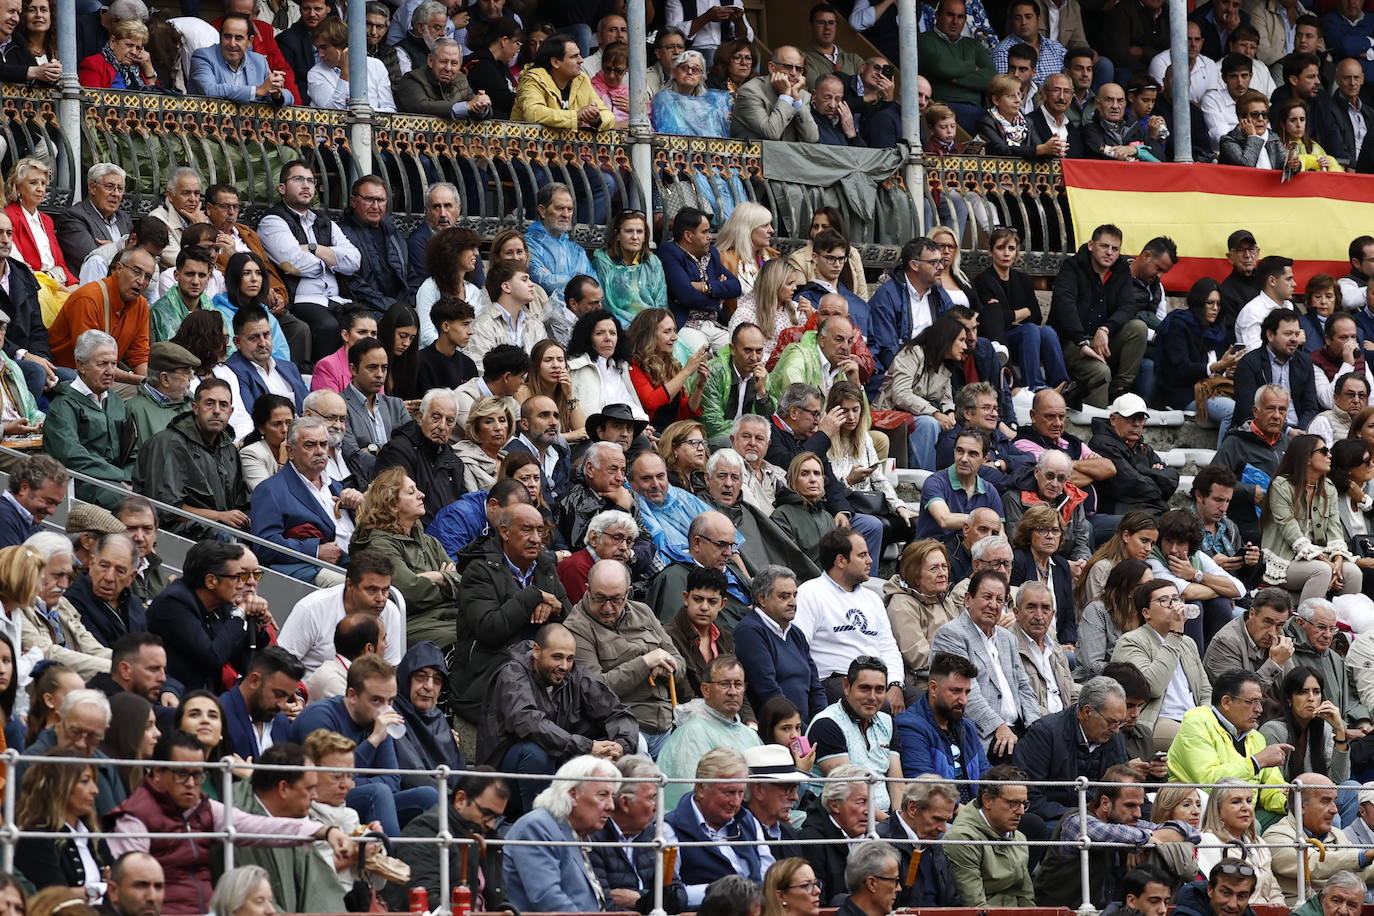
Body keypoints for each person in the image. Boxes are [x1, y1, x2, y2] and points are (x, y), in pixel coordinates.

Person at [564, 560, 687, 756]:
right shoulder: (576, 627)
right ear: (587, 590)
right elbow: (594, 690)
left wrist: (667, 666)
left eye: (616, 599)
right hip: (622, 730)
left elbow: (679, 664)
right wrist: (645, 663)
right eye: (600, 598)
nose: (607, 607)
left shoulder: (644, 612)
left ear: (628, 592)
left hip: (667, 724)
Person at [256, 160, 362, 361]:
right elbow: (294, 264)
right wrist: (332, 261)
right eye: (298, 179)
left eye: (310, 181)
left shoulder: (324, 221)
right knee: (329, 327)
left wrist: (315, 249)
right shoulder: (273, 221)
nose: (306, 185)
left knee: (366, 325)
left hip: (337, 299)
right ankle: (323, 385)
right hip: (302, 299)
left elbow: (354, 261)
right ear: (282, 188)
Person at [930, 570, 1040, 758]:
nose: (993, 605)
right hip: (984, 732)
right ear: (968, 599)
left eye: (999, 600)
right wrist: (998, 726)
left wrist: (1035, 729)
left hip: (1018, 729)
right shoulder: (952, 634)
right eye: (987, 597)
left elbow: (1024, 687)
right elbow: (966, 693)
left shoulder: (1008, 638)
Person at [794, 527, 906, 705]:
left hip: (878, 680)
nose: (870, 560)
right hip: (834, 681)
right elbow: (799, 650)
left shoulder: (873, 599)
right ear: (841, 560)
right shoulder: (809, 594)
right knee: (880, 704)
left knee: (926, 702)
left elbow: (888, 647)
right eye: (862, 555)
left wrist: (895, 684)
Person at [350, 469, 458, 649]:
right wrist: (444, 580)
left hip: (447, 616)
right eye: (411, 492)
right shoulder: (379, 544)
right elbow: (409, 591)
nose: (421, 495)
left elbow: (462, 582)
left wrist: (438, 578)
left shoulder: (429, 541)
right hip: (411, 624)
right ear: (392, 504)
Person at [501, 754, 620, 911]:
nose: (611, 806)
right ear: (573, 795)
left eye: (612, 796)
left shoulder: (576, 831)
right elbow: (548, 899)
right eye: (603, 795)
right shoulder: (537, 827)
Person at [1169, 668, 1291, 818]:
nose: (1259, 709)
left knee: (1299, 818)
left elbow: (1271, 790)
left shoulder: (1256, 737)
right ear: (1226, 702)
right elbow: (1209, 783)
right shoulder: (1197, 724)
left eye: (1260, 701)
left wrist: (1290, 801)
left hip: (1242, 815)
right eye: (1252, 702)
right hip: (1201, 814)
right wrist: (1255, 763)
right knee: (1256, 826)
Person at [1013, 675, 1128, 827]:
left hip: (1100, 818)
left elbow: (1121, 792)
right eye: (1112, 722)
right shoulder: (1045, 734)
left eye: (1120, 723)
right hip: (1056, 819)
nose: (1116, 730)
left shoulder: (1114, 736)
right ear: (1087, 712)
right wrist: (1080, 815)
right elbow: (1028, 795)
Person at [657, 655, 763, 808]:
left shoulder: (750, 735)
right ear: (706, 690)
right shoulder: (691, 733)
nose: (733, 692)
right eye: (724, 684)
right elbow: (690, 793)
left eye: (738, 684)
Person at [662, 746, 765, 899]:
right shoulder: (669, 829)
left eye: (741, 792)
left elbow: (768, 874)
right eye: (729, 792)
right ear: (701, 788)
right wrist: (729, 894)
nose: (736, 802)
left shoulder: (747, 819)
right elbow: (669, 894)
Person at [804, 656, 903, 814]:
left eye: (879, 689)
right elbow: (851, 792)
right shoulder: (827, 724)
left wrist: (900, 822)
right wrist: (890, 824)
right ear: (846, 686)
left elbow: (896, 783)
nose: (872, 697)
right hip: (841, 821)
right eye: (864, 688)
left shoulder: (887, 722)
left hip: (884, 822)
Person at [1260, 666, 1355, 825]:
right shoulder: (1273, 731)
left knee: (1352, 788)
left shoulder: (1323, 728)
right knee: (1334, 818)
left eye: (1316, 692)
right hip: (1286, 806)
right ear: (1289, 699)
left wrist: (1339, 730)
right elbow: (1274, 789)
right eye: (1303, 692)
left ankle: (1341, 844)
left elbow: (1339, 779)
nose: (1311, 698)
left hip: (1318, 800)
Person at [1157, 279, 1241, 449]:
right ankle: (1223, 465)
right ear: (1198, 302)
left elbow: (1218, 366)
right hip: (1184, 391)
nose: (1215, 308)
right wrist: (1217, 367)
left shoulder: (1219, 330)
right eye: (1210, 303)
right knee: (1232, 410)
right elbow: (1180, 367)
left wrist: (1227, 371)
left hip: (1213, 388)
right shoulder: (1180, 324)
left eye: (1218, 303)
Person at [1264, 774, 1374, 904]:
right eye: (1326, 801)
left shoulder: (1337, 834)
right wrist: (1364, 856)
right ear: (1301, 806)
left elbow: (1358, 872)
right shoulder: (1275, 836)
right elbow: (1310, 864)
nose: (1335, 810)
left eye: (1335, 801)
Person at [13, 749, 111, 891]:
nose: (95, 790)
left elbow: (118, 887)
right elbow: (56, 896)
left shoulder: (93, 833)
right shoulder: (37, 838)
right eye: (85, 781)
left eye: (93, 781)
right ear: (58, 787)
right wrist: (99, 890)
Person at [942, 764, 1034, 906]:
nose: (1021, 811)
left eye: (1024, 804)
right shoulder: (962, 839)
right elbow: (974, 905)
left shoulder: (1019, 838)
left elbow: (1026, 898)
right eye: (1013, 803)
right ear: (987, 800)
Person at [1194, 778, 1287, 905]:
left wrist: (1278, 904)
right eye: (1236, 802)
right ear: (1218, 809)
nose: (1246, 807)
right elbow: (1215, 892)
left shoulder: (1258, 842)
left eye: (1249, 801)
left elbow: (1273, 887)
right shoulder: (1208, 840)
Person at [659, 208, 742, 351]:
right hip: (687, 324)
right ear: (688, 236)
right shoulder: (670, 252)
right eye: (705, 232)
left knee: (740, 352)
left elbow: (736, 286)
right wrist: (719, 298)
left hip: (715, 323)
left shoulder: (712, 254)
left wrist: (706, 287)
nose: (710, 237)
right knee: (700, 357)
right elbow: (686, 295)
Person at [218, 645, 302, 760]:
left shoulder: (282, 723)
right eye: (278, 694)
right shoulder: (219, 717)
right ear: (254, 681)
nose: (282, 705)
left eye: (287, 697)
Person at [189, 14, 294, 105]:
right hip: (209, 126)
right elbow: (210, 90)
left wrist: (277, 94)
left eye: (238, 38)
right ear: (220, 36)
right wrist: (257, 90)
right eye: (227, 37)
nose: (232, 44)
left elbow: (289, 97)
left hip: (250, 127)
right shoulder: (203, 56)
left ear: (250, 41)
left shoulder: (259, 61)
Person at [1203, 587, 1294, 690]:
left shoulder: (1279, 634)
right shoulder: (1225, 643)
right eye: (1267, 622)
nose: (1273, 633)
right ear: (1252, 614)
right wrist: (1275, 664)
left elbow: (1293, 686)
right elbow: (1240, 696)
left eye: (1280, 624)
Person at [1008, 578, 1075, 713]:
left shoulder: (1055, 649)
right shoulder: (1007, 647)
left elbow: (1071, 693)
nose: (1039, 616)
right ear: (1016, 613)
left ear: (1053, 614)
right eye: (1031, 607)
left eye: (1045, 608)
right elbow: (1017, 702)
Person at [126, 343, 199, 447]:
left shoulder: (191, 400)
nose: (191, 378)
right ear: (165, 379)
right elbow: (133, 459)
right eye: (187, 372)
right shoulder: (135, 410)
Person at [652, 49, 734, 137]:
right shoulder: (664, 99)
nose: (689, 72)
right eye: (684, 68)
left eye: (695, 69)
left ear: (701, 77)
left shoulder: (712, 103)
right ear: (675, 73)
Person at [0, 455, 65, 548]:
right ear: (24, 488)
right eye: (49, 501)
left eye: (56, 504)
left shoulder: (32, 524)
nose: (52, 511)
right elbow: (13, 562)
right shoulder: (3, 517)